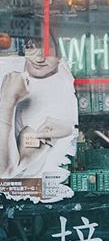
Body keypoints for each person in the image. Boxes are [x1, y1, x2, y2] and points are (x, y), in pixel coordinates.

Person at [0, 47, 77, 180]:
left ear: (60, 57)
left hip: (32, 182)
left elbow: (5, 171)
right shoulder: (8, 65)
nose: (40, 58)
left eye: (49, 52)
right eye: (33, 47)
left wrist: (8, 102)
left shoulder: (60, 98)